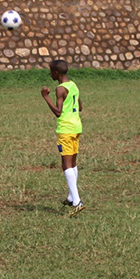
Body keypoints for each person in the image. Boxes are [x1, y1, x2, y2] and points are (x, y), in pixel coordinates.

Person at [40, 60, 84, 217]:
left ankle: (77, 202)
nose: (50, 74)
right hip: (76, 127)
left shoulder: (60, 89)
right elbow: (80, 107)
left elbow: (58, 112)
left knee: (66, 165)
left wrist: (46, 97)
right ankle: (71, 197)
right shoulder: (73, 85)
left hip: (65, 129)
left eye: (50, 72)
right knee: (73, 162)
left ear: (56, 73)